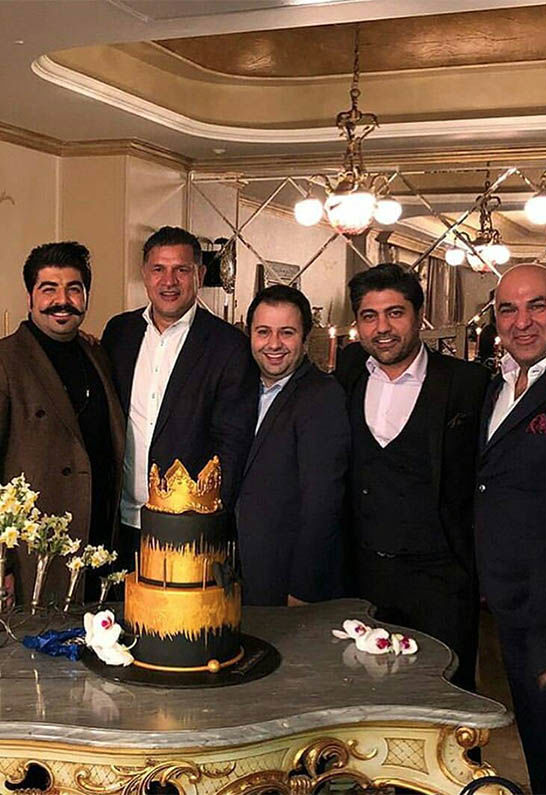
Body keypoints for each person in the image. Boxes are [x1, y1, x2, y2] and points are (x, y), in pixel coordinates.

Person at [336, 263, 489, 691]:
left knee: (444, 696)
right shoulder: (347, 374)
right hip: (363, 578)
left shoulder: (468, 384)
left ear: (419, 316)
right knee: (365, 696)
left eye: (395, 313)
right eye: (369, 316)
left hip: (442, 580)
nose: (382, 328)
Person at [0, 242, 124, 610]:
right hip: (30, 555)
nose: (62, 300)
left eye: (74, 289)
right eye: (49, 289)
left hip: (97, 545)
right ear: (30, 296)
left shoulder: (97, 355)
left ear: (86, 296)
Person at [102, 227, 258, 564]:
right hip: (119, 523)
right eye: (158, 269)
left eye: (181, 270)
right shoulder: (119, 332)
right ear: (145, 274)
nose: (169, 281)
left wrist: (209, 523)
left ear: (199, 274)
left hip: (188, 530)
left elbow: (232, 444)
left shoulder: (229, 346)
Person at [475, 264, 546, 794]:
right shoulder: (498, 385)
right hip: (514, 611)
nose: (522, 321)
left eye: (537, 306)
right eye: (508, 309)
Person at [236, 285, 349, 606]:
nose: (274, 344)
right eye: (263, 332)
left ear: (305, 338)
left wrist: (302, 588)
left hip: (287, 579)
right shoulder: (241, 388)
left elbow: (323, 502)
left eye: (286, 332)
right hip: (241, 571)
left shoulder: (322, 396)